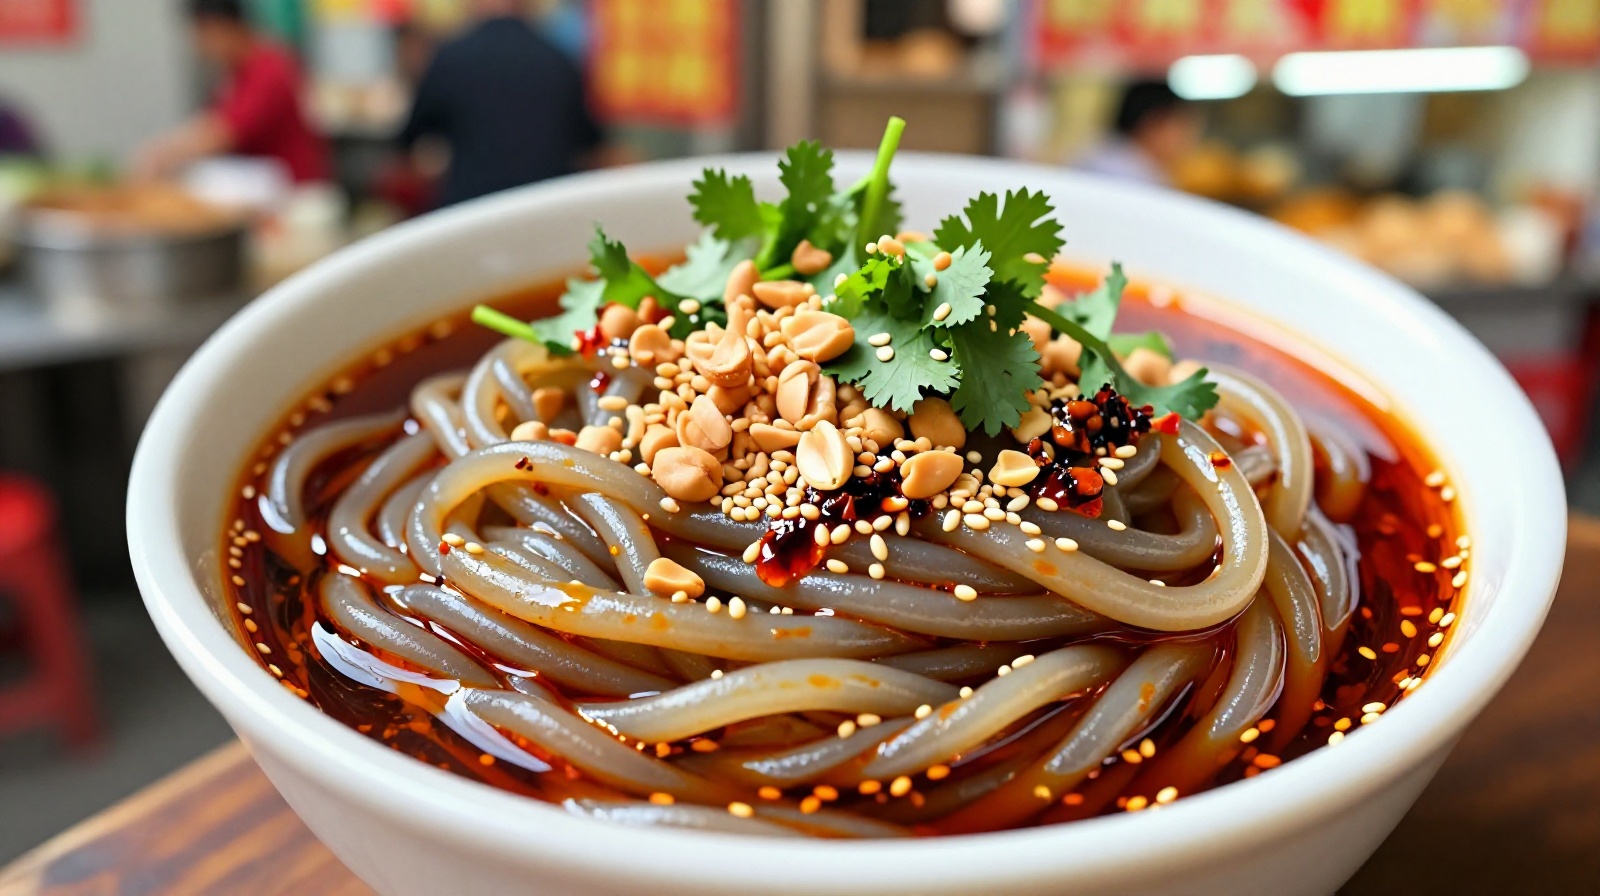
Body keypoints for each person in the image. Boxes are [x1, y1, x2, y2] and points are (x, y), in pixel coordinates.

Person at [398, 0, 604, 206]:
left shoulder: (450, 58)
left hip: (469, 210)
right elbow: (589, 144)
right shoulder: (559, 60)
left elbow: (410, 140)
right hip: (546, 206)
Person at [135, 0, 328, 183]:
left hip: (292, 195)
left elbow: (222, 133)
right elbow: (211, 121)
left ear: (225, 27)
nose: (200, 47)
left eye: (203, 34)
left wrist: (164, 154)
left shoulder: (269, 68)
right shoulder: (235, 72)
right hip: (261, 184)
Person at [1074, 80, 1202, 187]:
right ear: (1154, 122)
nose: (1188, 138)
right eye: (1183, 125)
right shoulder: (1117, 172)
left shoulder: (1100, 153)